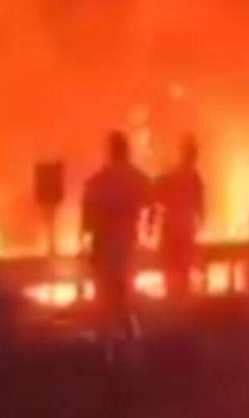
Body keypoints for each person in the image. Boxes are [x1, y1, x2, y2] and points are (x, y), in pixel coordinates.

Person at [81, 131, 152, 353]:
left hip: (105, 241)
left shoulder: (99, 179)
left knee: (106, 295)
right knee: (123, 292)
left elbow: (88, 214)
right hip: (128, 241)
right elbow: (152, 203)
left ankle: (108, 344)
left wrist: (86, 238)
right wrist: (148, 227)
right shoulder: (138, 178)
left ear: (110, 151)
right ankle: (130, 340)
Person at [155, 135, 205, 300]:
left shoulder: (174, 175)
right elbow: (201, 210)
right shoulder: (194, 179)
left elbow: (160, 198)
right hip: (184, 231)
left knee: (173, 274)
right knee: (181, 274)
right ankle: (181, 305)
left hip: (173, 230)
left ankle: (174, 305)